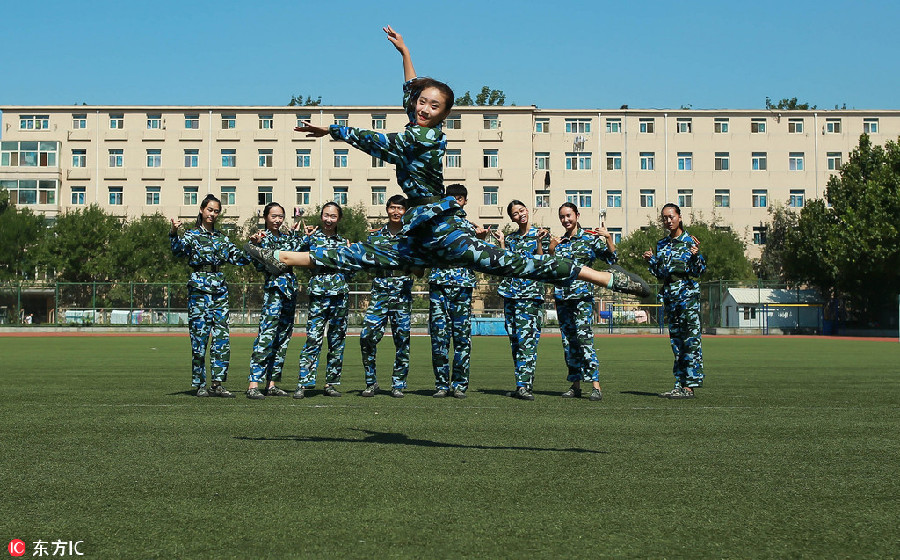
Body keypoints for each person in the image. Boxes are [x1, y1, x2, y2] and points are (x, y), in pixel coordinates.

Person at [244, 26, 649, 302]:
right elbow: (411, 88)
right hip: (419, 231)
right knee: (367, 255)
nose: (423, 108)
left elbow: (378, 141)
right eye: (421, 102)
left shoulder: (422, 136)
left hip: (442, 230)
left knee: (518, 265)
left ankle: (604, 277)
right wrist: (406, 53)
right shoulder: (416, 116)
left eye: (433, 106)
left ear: (444, 115)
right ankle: (280, 259)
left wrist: (331, 128)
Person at [169, 194, 250, 397]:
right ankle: (199, 384)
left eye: (216, 211)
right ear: (202, 210)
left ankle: (217, 383)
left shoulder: (222, 238)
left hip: (219, 291)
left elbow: (240, 258)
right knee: (199, 338)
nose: (212, 214)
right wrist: (173, 232)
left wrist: (253, 244)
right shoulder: (191, 235)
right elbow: (178, 251)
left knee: (222, 338)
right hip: (199, 290)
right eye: (209, 210)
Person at [548, 203, 618, 402]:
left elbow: (612, 259)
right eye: (562, 217)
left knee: (585, 339)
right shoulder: (558, 241)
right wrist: (551, 250)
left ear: (577, 215)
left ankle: (595, 385)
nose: (565, 220)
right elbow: (548, 267)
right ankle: (575, 385)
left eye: (569, 215)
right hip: (562, 298)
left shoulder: (589, 238)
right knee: (569, 343)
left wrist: (608, 238)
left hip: (581, 298)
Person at [643, 203, 707, 399]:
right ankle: (679, 385)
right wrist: (651, 261)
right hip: (670, 295)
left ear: (679, 217)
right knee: (676, 342)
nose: (668, 221)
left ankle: (690, 386)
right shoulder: (662, 244)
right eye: (664, 217)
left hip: (687, 296)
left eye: (671, 216)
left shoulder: (690, 241)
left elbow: (699, 271)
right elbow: (661, 273)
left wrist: (697, 256)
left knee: (691, 341)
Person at [428, 184, 485, 399]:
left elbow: (477, 255)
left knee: (462, 338)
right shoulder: (435, 224)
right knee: (439, 337)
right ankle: (441, 384)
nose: (456, 202)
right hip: (439, 285)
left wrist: (480, 238)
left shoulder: (471, 227)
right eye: (452, 198)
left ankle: (459, 384)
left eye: (460, 198)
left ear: (465, 201)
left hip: (462, 285)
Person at [289, 202, 350, 399]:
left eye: (333, 216)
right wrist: (303, 237)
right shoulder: (312, 238)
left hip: (339, 295)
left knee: (336, 340)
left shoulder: (344, 242)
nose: (329, 220)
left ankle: (331, 383)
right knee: (313, 339)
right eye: (326, 215)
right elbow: (294, 253)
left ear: (339, 219)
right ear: (321, 216)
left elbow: (352, 268)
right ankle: (303, 383)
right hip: (318, 295)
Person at [493, 200, 548, 401]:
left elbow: (542, 262)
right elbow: (505, 262)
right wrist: (501, 243)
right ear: (512, 218)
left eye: (522, 210)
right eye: (515, 213)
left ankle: (524, 385)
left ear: (528, 210)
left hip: (530, 295)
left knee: (528, 341)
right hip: (511, 294)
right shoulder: (512, 238)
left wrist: (541, 242)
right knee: (515, 340)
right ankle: (522, 385)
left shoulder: (539, 234)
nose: (520, 215)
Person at [359, 195, 413, 398]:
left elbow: (418, 267)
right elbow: (365, 263)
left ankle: (398, 384)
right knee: (367, 337)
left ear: (405, 211)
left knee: (402, 340)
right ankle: (371, 382)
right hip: (380, 291)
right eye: (392, 208)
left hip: (402, 293)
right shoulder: (374, 237)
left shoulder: (411, 237)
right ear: (387, 210)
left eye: (400, 208)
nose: (396, 211)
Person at [245, 202, 297, 400]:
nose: (277, 220)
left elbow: (298, 253)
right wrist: (255, 244)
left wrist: (298, 236)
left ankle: (272, 383)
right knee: (266, 337)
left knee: (283, 338)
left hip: (289, 292)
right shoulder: (261, 239)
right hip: (274, 291)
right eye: (273, 216)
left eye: (280, 216)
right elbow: (256, 262)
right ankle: (253, 384)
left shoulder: (287, 239)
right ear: (265, 217)